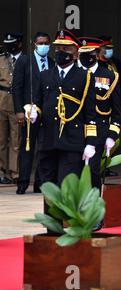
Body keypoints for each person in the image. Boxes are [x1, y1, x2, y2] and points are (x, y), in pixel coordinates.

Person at [29, 29, 97, 234]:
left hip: (72, 140)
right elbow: (40, 104)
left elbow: (90, 111)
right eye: (57, 48)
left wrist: (91, 142)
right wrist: (34, 113)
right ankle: (52, 227)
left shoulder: (84, 76)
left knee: (66, 184)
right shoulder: (45, 75)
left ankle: (68, 225)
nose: (60, 51)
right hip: (48, 139)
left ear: (75, 52)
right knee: (49, 185)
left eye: (65, 48)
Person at [12, 32, 55, 194]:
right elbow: (17, 87)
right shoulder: (24, 61)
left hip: (47, 113)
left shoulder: (52, 62)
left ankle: (40, 182)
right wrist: (19, 111)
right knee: (27, 148)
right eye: (40, 43)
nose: (43, 45)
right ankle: (22, 182)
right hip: (29, 112)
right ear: (34, 44)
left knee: (45, 149)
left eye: (46, 43)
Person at [78, 37, 121, 191]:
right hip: (75, 129)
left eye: (89, 53)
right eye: (82, 53)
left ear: (96, 54)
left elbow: (116, 110)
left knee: (92, 171)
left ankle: (93, 207)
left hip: (98, 130)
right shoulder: (73, 74)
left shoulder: (110, 76)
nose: (85, 56)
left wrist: (112, 135)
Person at [0, 32, 22, 185]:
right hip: (1, 100)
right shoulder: (1, 58)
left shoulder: (25, 60)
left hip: (17, 101)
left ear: (19, 43)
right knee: (0, 140)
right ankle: (1, 172)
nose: (9, 46)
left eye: (13, 43)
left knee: (16, 140)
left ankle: (14, 173)